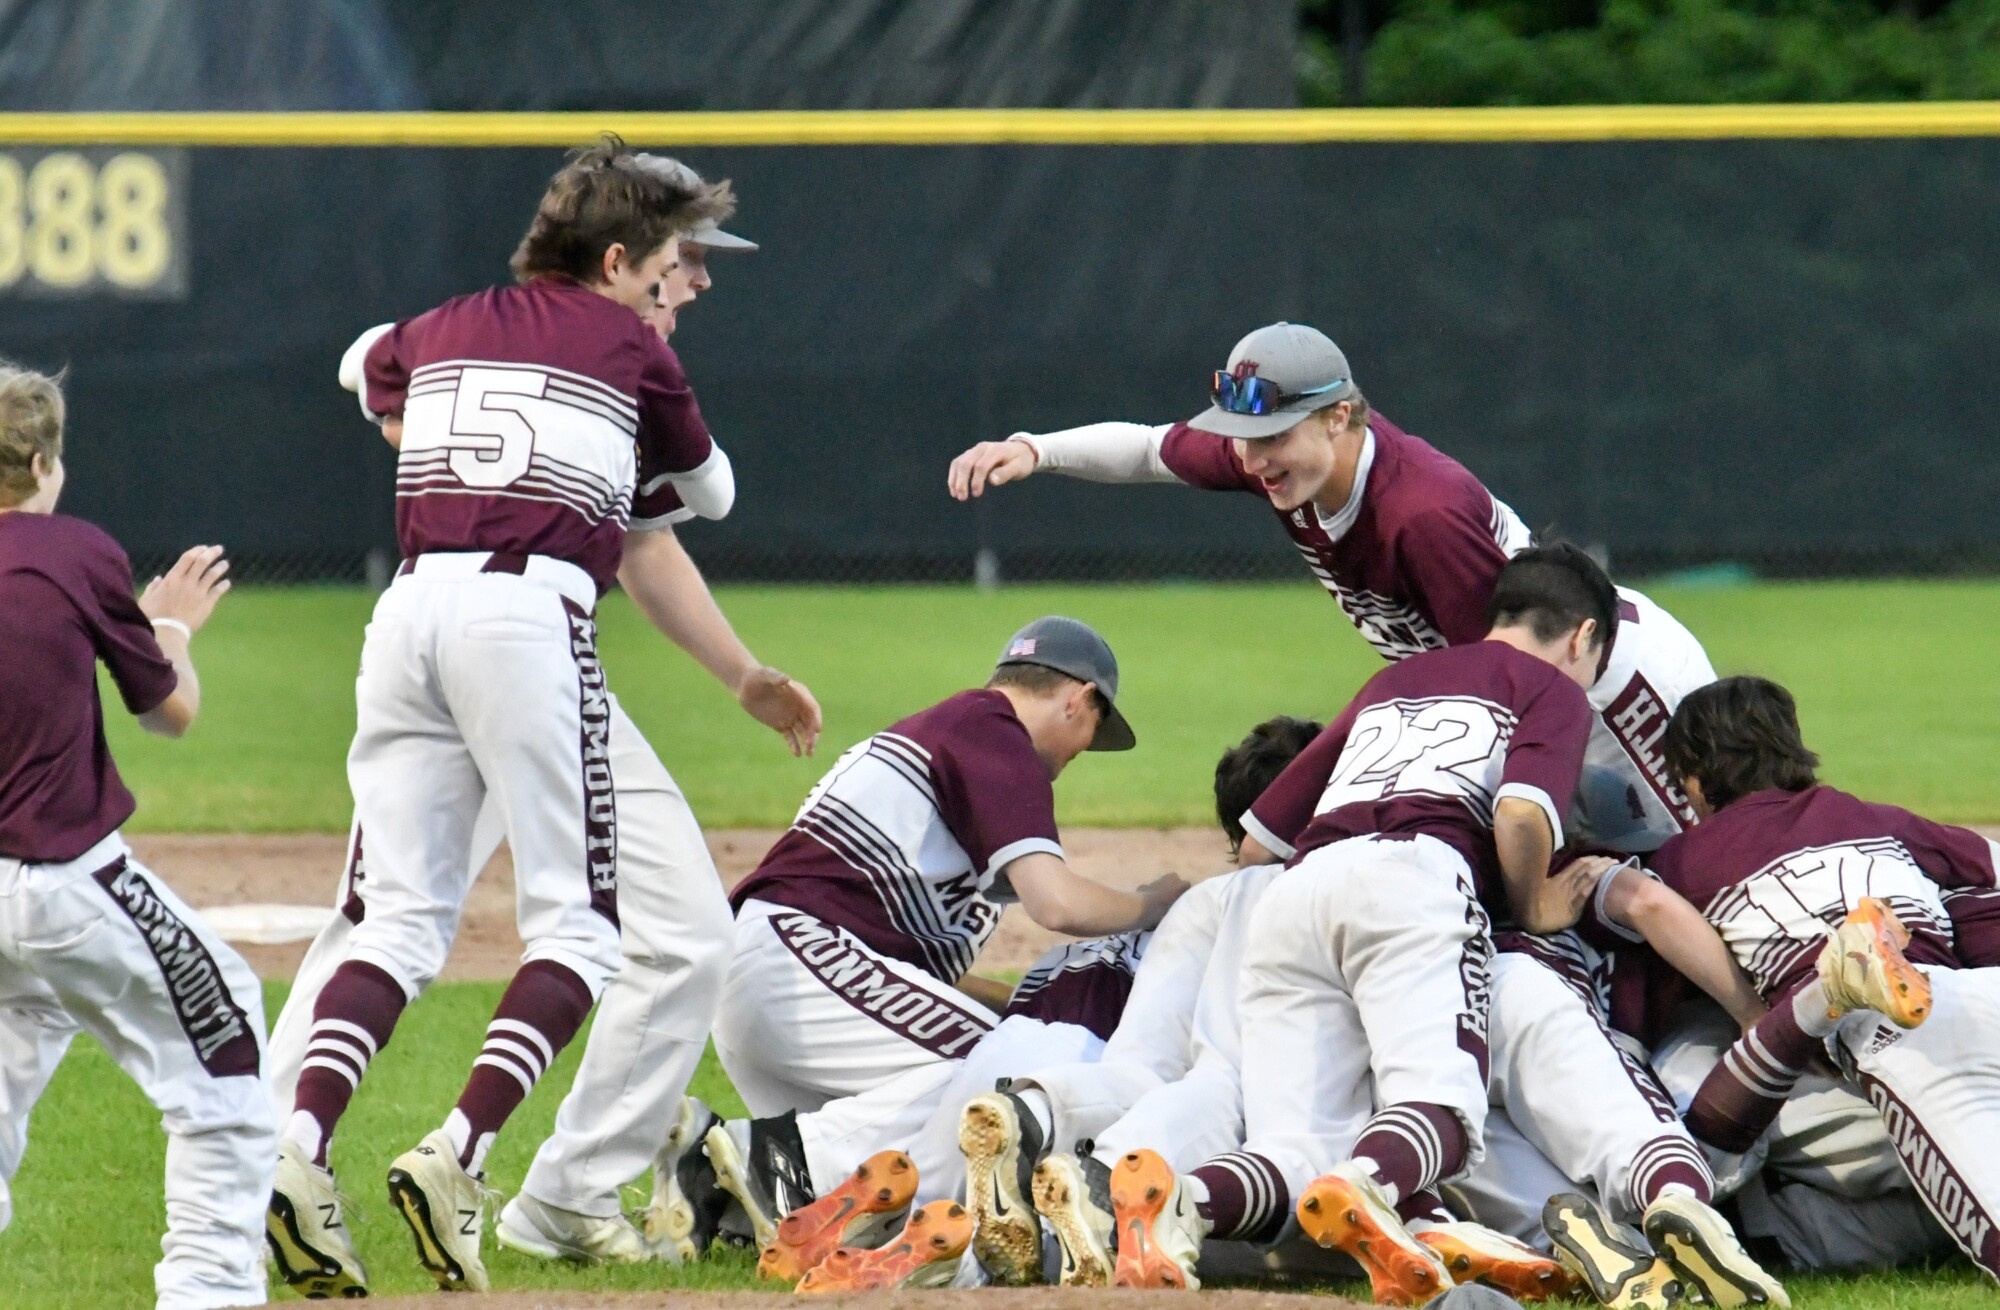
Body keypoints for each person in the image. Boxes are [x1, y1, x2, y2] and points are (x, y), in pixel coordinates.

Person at [263, 137, 735, 1296]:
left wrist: (437, 417)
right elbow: (708, 490)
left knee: (396, 922)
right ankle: (459, 1154)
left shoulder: (438, 323)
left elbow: (358, 361)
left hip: (409, 613)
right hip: (526, 620)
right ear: (621, 259)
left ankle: (295, 1146)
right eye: (676, 258)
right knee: (578, 928)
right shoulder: (627, 343)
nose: (691, 278)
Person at [1101, 544, 1608, 1304]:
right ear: (1582, 637)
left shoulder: (1392, 681)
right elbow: (1520, 812)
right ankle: (1369, 1187)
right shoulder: (1553, 689)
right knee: (1440, 1111)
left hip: (1296, 891)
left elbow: (1255, 843)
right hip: (1417, 878)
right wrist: (1535, 906)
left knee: (1293, 1145)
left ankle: (1186, 1204)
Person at [691, 617, 1186, 1278]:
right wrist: (1154, 903)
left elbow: (912, 979)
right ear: (1079, 699)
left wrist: (1018, 1006)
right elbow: (1057, 903)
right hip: (801, 966)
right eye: (1096, 729)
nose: (1084, 750)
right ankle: (783, 1159)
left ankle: (759, 1199)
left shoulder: (955, 735)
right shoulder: (992, 729)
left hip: (794, 983)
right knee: (1020, 1085)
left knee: (988, 1100)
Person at [0, 363, 276, 1310]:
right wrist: (170, 625)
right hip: (62, 878)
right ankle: (209, 1294)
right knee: (225, 1044)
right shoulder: (72, 551)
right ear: (40, 460)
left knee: (21, 1018)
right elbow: (169, 714)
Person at [1647, 677, 2000, 1283]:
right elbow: (1983, 872)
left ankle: (1828, 988)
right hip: (1973, 995)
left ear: (1697, 777)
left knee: (1690, 1099)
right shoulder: (1870, 815)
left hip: (1891, 1040)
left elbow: (1631, 997)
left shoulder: (1680, 862)